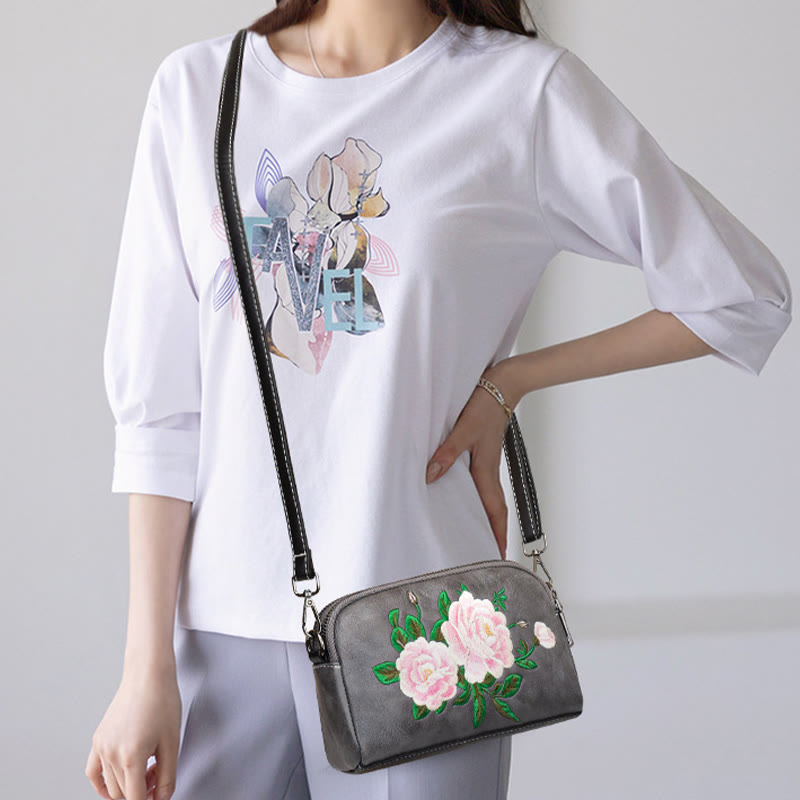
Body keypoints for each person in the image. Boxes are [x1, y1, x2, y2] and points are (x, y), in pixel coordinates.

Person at [86, 0, 793, 798]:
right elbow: (162, 412)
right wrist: (144, 668)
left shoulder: (521, 94)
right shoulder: (201, 88)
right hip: (216, 637)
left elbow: (743, 295)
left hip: (427, 628)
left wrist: (512, 380)